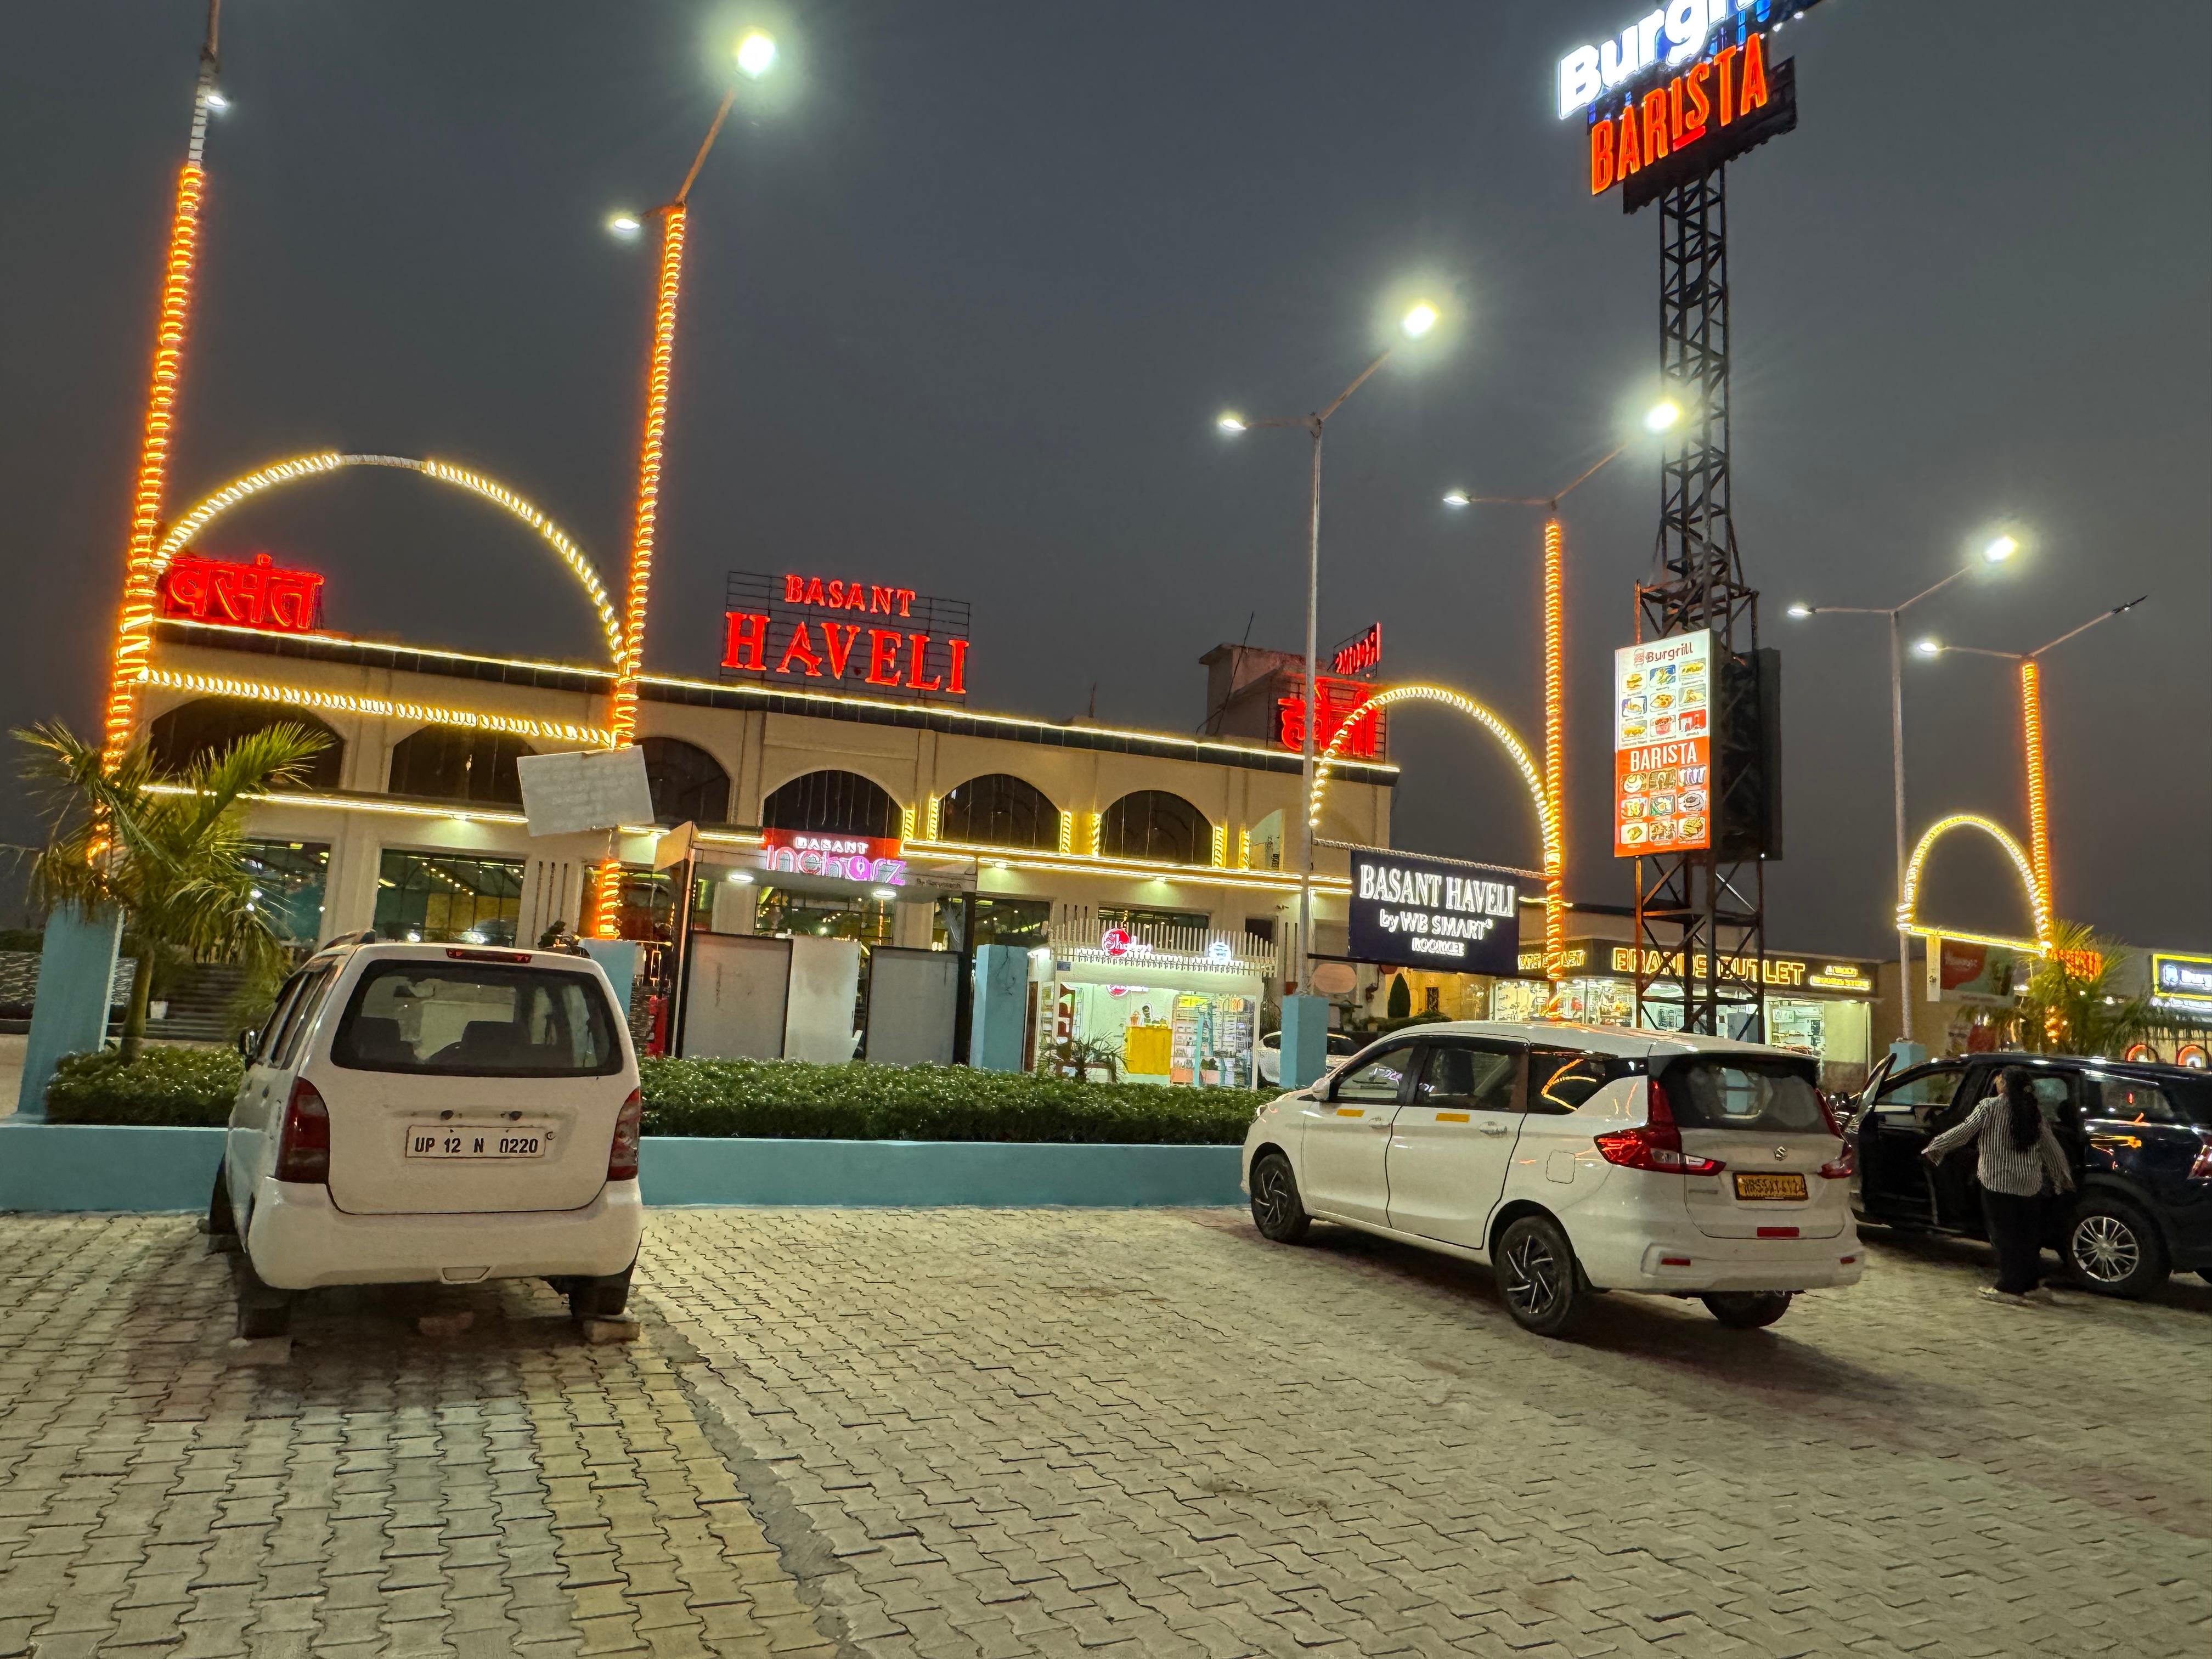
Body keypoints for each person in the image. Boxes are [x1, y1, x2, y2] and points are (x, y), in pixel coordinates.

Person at [1922, 1066, 2076, 1305]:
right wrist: (2062, 1176)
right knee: (2027, 1236)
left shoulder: (1989, 1107)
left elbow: (1963, 1133)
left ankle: (2008, 1287)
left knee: (2004, 1236)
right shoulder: (2032, 1111)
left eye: (1999, 1077)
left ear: (2005, 1083)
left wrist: (1936, 1147)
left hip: (1998, 1182)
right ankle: (2030, 1284)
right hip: (2029, 1184)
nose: (1996, 1080)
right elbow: (2050, 1147)